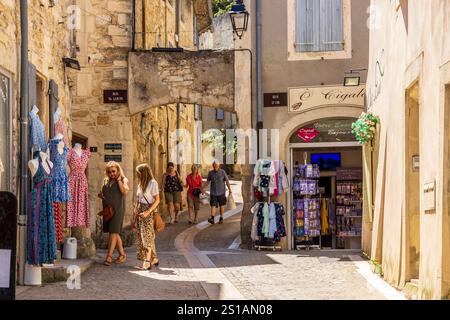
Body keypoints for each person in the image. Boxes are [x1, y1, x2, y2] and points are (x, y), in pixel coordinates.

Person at [98, 161, 129, 266]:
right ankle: (122, 255)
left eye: (114, 171)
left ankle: (109, 257)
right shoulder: (106, 181)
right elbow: (105, 193)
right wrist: (101, 196)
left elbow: (124, 192)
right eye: (109, 172)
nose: (112, 174)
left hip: (118, 210)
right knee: (114, 233)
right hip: (108, 210)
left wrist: (119, 181)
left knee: (113, 232)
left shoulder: (124, 180)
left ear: (118, 171)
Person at [132, 164, 160, 270]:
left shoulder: (153, 183)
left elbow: (157, 200)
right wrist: (134, 215)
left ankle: (147, 262)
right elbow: (137, 201)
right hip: (140, 211)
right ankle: (154, 258)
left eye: (138, 173)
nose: (137, 175)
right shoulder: (140, 184)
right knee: (142, 236)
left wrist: (148, 212)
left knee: (147, 236)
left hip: (148, 211)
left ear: (143, 173)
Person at [203, 160, 232, 225]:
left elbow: (227, 181)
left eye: (216, 166)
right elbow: (207, 181)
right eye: (214, 166)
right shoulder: (210, 173)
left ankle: (221, 218)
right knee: (213, 205)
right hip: (213, 192)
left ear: (219, 166)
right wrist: (203, 188)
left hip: (221, 192)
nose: (215, 168)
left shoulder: (222, 172)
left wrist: (230, 189)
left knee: (221, 205)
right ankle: (212, 219)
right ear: (213, 166)